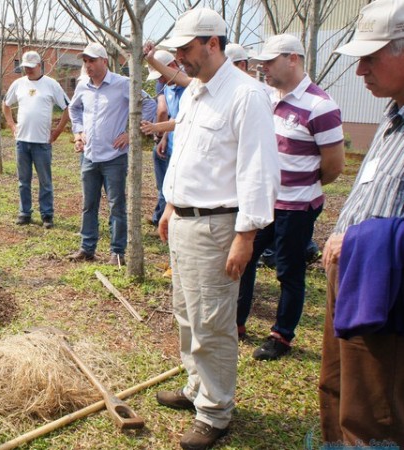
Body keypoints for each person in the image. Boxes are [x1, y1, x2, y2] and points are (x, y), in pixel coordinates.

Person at [151, 9, 280, 449]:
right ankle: (195, 388)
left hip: (217, 227)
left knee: (213, 322)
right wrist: (170, 205)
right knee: (186, 313)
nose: (180, 59)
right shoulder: (197, 93)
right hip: (185, 220)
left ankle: (216, 411)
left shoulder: (247, 96)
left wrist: (245, 236)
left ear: (212, 42)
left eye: (186, 50)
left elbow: (259, 171)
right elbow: (188, 156)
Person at [320, 0, 404, 445]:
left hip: (385, 291)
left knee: (376, 409)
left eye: (371, 58)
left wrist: (359, 238)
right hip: (353, 274)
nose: (361, 72)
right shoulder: (392, 116)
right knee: (339, 391)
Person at [237, 34, 345, 358]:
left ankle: (281, 335)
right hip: (264, 201)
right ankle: (236, 322)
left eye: (269, 62)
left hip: (297, 206)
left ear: (293, 59)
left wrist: (302, 186)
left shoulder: (320, 106)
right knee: (245, 258)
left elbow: (334, 166)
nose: (263, 68)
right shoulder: (267, 97)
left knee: (288, 269)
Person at [67, 42, 157, 266]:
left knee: (116, 205)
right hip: (89, 155)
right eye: (85, 61)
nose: (87, 65)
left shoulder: (123, 84)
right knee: (89, 204)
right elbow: (73, 108)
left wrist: (131, 133)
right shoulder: (83, 87)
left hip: (114, 157)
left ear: (104, 61)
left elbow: (149, 105)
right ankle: (87, 248)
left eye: (92, 60)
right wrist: (78, 132)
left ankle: (117, 253)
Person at [2, 51, 70, 229]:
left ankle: (47, 214)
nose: (28, 70)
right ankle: (24, 212)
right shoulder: (18, 84)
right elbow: (6, 104)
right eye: (25, 67)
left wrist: (56, 132)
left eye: (31, 67)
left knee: (45, 181)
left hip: (42, 142)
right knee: (23, 180)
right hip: (22, 141)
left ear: (40, 65)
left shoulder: (51, 85)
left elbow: (67, 108)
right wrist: (12, 125)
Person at [144, 50, 185, 231]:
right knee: (164, 185)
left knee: (175, 186)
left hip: (183, 149)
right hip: (169, 145)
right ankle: (160, 217)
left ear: (172, 67)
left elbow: (182, 120)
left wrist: (155, 128)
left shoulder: (189, 88)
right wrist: (163, 139)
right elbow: (171, 115)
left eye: (161, 75)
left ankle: (166, 220)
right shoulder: (167, 87)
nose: (160, 80)